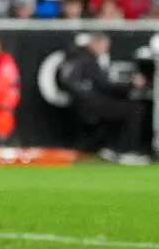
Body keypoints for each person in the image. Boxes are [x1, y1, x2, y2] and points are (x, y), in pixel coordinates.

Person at [63, 33, 148, 164]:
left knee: (121, 107)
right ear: (94, 44)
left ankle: (110, 148)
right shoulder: (89, 60)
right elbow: (104, 85)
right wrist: (132, 84)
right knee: (134, 109)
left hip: (82, 103)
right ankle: (126, 151)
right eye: (104, 46)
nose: (106, 50)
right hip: (91, 104)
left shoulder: (76, 57)